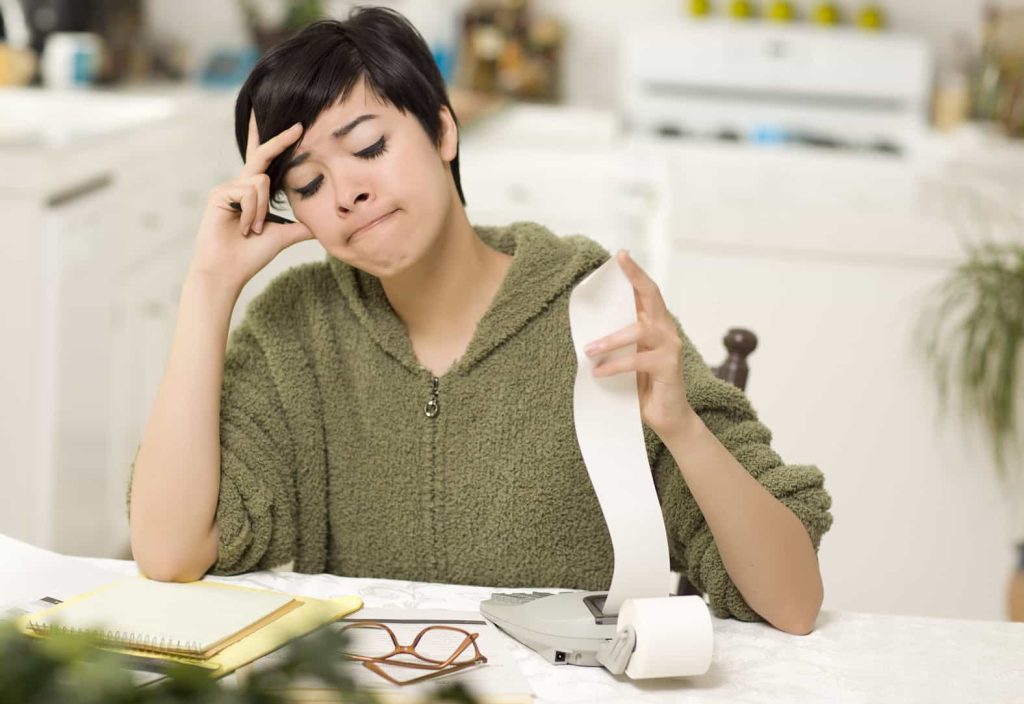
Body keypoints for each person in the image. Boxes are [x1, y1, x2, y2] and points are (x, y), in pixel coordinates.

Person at [128, 6, 832, 635]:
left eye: (369, 147)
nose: (348, 192)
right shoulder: (295, 330)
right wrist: (209, 288)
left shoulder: (594, 307)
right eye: (307, 184)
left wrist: (680, 424)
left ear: (441, 131)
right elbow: (167, 551)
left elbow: (792, 603)